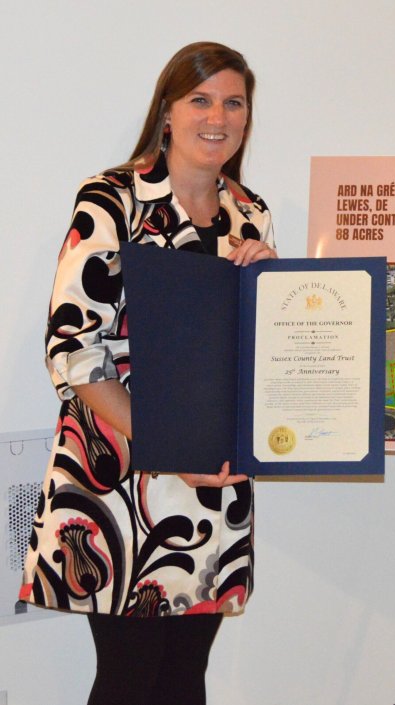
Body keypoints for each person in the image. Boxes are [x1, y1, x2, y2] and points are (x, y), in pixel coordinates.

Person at [18, 42, 276, 705]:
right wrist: (169, 446)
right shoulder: (111, 200)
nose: (216, 116)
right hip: (120, 479)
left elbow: (259, 359)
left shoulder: (251, 215)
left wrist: (273, 289)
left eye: (233, 102)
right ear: (167, 111)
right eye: (200, 99)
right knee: (130, 681)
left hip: (211, 488)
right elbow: (74, 350)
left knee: (186, 679)